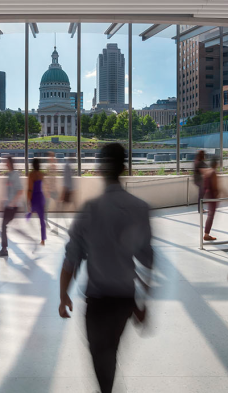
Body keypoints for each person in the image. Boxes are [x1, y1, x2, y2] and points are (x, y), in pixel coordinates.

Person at [59, 143, 154, 393]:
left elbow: (72, 257)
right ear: (124, 168)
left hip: (98, 301)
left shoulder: (90, 210)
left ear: (101, 169)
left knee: (102, 358)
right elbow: (147, 260)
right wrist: (142, 303)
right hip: (125, 300)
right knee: (110, 353)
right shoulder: (139, 209)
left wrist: (63, 295)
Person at [0, 156, 22, 258]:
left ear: (10, 163)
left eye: (6, 162)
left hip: (12, 206)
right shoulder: (9, 174)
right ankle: (4, 249)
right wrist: (5, 201)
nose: (5, 164)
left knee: (4, 226)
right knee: (5, 226)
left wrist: (12, 203)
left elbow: (20, 190)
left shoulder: (15, 174)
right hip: (9, 205)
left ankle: (4, 249)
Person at [24, 157, 47, 245]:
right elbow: (42, 186)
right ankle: (43, 240)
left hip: (34, 197)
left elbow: (30, 189)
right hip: (41, 197)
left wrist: (28, 201)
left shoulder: (31, 174)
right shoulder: (41, 174)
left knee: (30, 211)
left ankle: (26, 219)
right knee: (42, 220)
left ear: (32, 165)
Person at [202, 156, 220, 241]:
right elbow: (215, 186)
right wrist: (217, 196)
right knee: (211, 216)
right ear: (215, 164)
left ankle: (206, 233)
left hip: (207, 195)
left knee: (210, 215)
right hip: (212, 196)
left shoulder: (207, 172)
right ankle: (206, 234)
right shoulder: (213, 172)